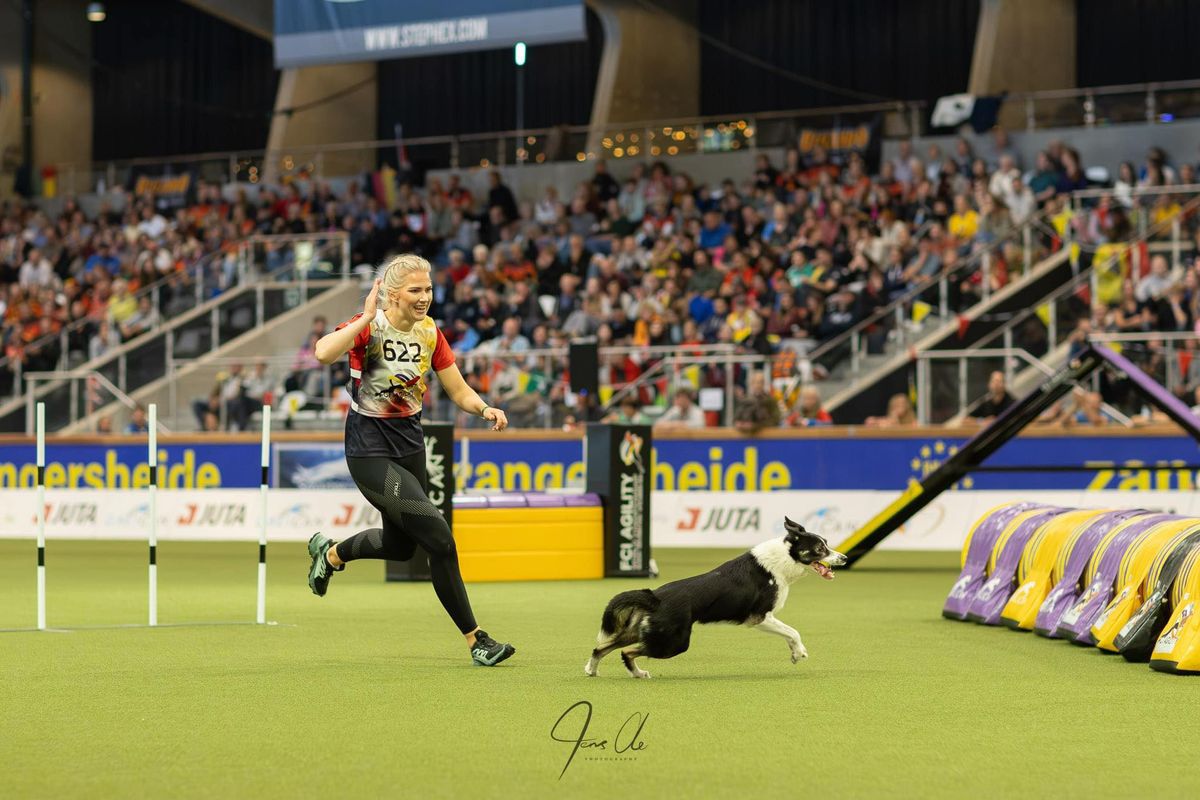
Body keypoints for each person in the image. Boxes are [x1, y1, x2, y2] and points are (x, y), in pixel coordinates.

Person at [307, 254, 516, 667]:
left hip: (410, 447)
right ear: (392, 293)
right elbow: (322, 354)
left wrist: (484, 408)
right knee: (440, 538)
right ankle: (477, 640)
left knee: (402, 546)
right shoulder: (370, 328)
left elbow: (458, 390)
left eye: (428, 289)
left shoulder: (430, 332)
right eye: (415, 290)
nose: (425, 298)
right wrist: (364, 317)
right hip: (368, 450)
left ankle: (330, 554)